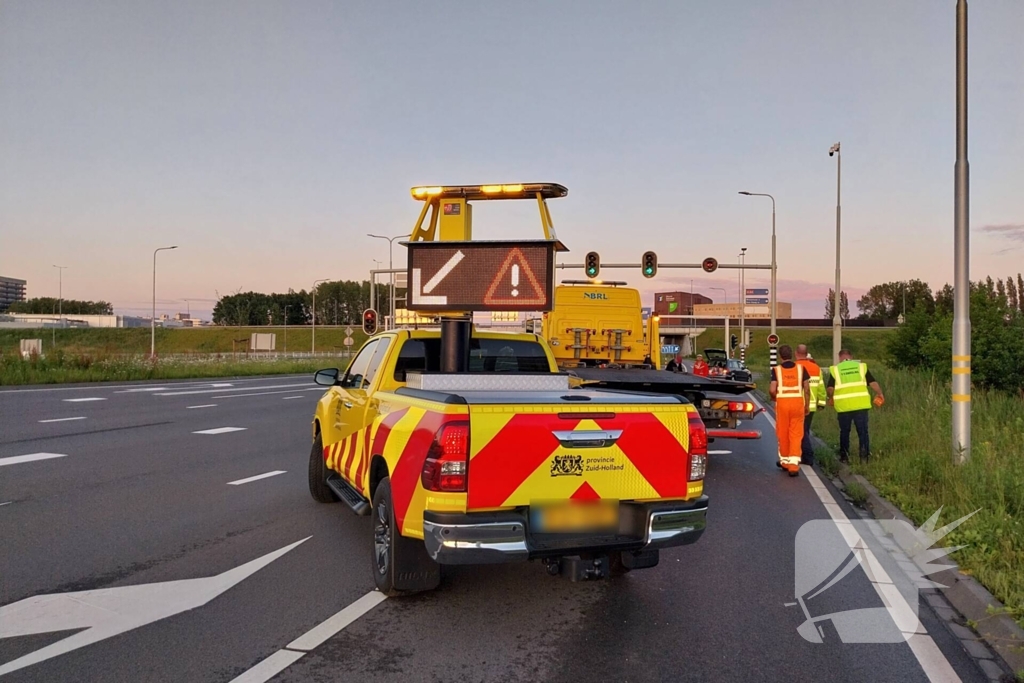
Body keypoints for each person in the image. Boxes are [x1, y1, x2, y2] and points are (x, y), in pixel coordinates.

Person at [827, 349, 885, 463]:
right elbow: (873, 383)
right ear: (851, 356)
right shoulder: (861, 367)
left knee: (844, 432)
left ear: (840, 358)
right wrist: (880, 394)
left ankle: (844, 457)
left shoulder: (835, 370)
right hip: (861, 405)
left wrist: (830, 397)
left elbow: (830, 389)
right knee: (863, 432)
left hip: (843, 407)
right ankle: (864, 457)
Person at [769, 344, 810, 476]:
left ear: (780, 356)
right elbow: (807, 389)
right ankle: (793, 465)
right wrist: (807, 405)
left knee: (783, 432)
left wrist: (774, 398)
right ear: (792, 354)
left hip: (782, 404)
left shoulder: (776, 370)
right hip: (797, 403)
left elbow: (772, 389)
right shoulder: (801, 369)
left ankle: (785, 462)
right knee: (796, 434)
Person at [795, 345, 827, 466]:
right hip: (811, 405)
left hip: (798, 404)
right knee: (805, 430)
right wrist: (821, 403)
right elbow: (821, 388)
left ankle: (807, 456)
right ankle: (803, 455)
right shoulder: (816, 368)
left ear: (796, 353)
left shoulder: (795, 367)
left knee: (800, 432)